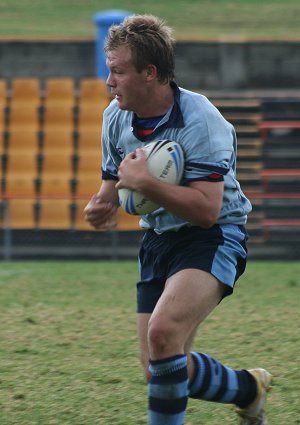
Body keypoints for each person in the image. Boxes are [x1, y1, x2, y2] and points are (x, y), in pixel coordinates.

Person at [84, 14, 272, 425]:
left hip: (213, 236)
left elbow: (206, 210)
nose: (109, 82)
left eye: (117, 72)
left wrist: (146, 185)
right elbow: (112, 180)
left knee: (162, 333)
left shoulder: (201, 120)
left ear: (150, 73)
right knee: (160, 367)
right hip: (158, 241)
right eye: (109, 71)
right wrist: (102, 204)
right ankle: (248, 388)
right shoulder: (115, 117)